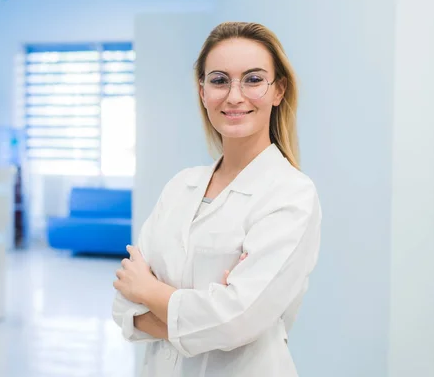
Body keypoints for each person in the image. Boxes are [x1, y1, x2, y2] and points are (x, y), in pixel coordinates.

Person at [111, 21, 322, 377]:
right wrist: (207, 318)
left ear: (278, 90)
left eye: (253, 79)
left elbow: (237, 321)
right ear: (203, 90)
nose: (234, 96)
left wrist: (150, 291)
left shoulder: (291, 194)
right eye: (220, 80)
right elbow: (123, 304)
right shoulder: (181, 186)